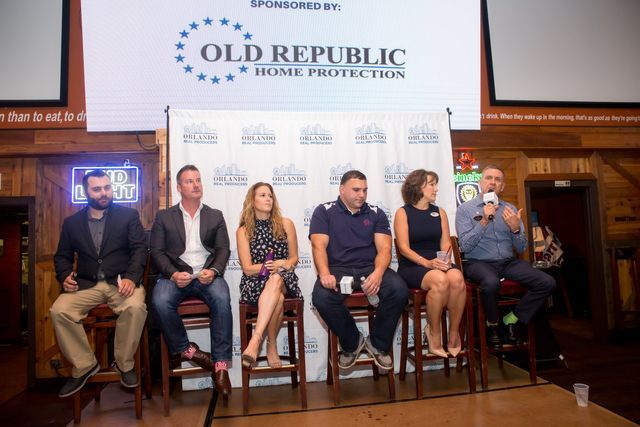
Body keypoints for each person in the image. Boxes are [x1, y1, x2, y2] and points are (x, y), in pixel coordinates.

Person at [50, 169, 147, 397]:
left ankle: (124, 364)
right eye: (97, 189)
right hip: (86, 284)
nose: (104, 193)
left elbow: (139, 250)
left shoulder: (128, 216)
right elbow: (62, 256)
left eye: (107, 187)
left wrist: (132, 278)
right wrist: (64, 276)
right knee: (59, 310)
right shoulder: (72, 223)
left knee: (135, 307)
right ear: (86, 192)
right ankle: (85, 365)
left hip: (121, 282)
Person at [310, 170, 408, 370]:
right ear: (342, 189)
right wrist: (324, 274)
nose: (361, 195)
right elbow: (318, 245)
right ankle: (352, 342)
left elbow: (385, 249)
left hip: (369, 267)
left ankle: (378, 344)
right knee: (321, 297)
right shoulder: (324, 211)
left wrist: (378, 273)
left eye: (365, 190)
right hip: (337, 269)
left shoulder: (376, 213)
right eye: (356, 190)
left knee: (398, 290)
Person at [150, 164, 232, 397]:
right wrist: (173, 274)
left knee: (222, 299)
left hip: (206, 275)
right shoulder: (164, 217)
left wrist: (213, 271)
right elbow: (156, 252)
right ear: (179, 188)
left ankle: (220, 365)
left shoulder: (215, 215)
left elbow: (223, 249)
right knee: (160, 301)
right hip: (175, 275)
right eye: (189, 181)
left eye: (198, 180)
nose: (196, 185)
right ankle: (188, 351)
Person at [455, 165, 556, 348]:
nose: (493, 182)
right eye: (488, 178)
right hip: (478, 263)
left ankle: (512, 318)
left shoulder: (510, 209)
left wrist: (515, 229)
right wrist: (484, 220)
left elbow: (522, 247)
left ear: (502, 187)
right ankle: (492, 325)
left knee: (547, 282)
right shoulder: (465, 210)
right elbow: (465, 246)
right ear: (480, 183)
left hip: (508, 263)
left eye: (498, 180)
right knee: (491, 282)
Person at [394, 169, 466, 358]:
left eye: (436, 184)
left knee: (457, 278)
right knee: (440, 281)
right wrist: (427, 263)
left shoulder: (439, 212)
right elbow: (403, 248)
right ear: (418, 187)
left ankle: (454, 333)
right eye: (432, 184)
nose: (436, 189)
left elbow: (445, 243)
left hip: (437, 262)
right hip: (413, 265)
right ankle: (434, 333)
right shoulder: (403, 213)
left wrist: (444, 260)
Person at [237, 182, 303, 368]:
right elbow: (247, 268)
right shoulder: (243, 231)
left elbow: (294, 258)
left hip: (284, 278)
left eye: (270, 196)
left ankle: (255, 339)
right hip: (255, 281)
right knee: (278, 298)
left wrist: (281, 264)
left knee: (276, 279)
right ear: (252, 200)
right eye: (263, 195)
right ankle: (271, 344)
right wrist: (268, 266)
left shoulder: (286, 224)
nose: (268, 199)